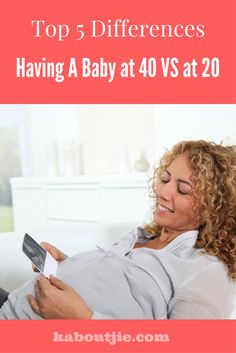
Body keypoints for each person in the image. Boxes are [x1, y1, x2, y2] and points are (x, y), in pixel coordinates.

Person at [0, 140, 235, 319]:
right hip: (9, 305)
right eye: (165, 178)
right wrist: (64, 265)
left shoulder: (207, 270)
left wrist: (84, 321)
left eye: (182, 190)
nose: (163, 192)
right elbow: (113, 292)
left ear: (214, 208)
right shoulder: (143, 235)